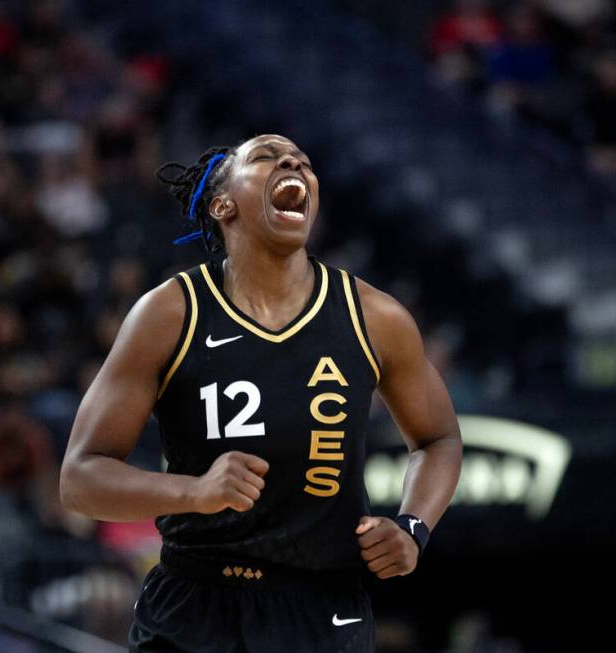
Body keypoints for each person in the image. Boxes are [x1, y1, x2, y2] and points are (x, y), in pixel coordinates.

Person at [60, 134, 462, 652]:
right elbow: (79, 479)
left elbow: (439, 439)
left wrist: (412, 527)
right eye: (266, 157)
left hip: (321, 610)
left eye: (302, 161)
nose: (293, 161)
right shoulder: (169, 313)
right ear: (221, 203)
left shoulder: (373, 316)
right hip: (194, 602)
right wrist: (196, 492)